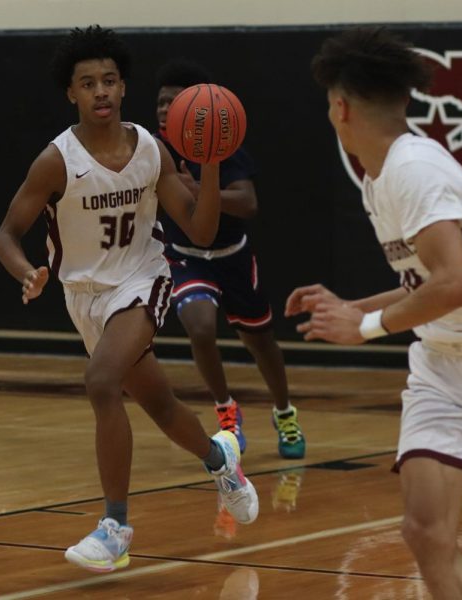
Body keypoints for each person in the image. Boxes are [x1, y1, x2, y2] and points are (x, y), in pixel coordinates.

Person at [0, 25, 259, 573]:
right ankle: (221, 462)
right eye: (88, 83)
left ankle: (115, 526)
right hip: (84, 296)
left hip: (143, 280)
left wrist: (208, 163)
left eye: (110, 80)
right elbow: (4, 235)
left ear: (122, 86)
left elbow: (200, 231)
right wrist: (25, 272)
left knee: (100, 381)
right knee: (158, 403)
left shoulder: (151, 150)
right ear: (71, 93)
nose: (101, 91)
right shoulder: (56, 161)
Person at [289, 27, 462, 599]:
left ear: (341, 106)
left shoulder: (415, 169)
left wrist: (367, 327)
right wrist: (354, 307)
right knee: (426, 533)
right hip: (444, 368)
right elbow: (426, 283)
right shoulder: (381, 178)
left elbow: (454, 286)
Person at [154, 59, 305, 459]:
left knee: (261, 342)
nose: (164, 109)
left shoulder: (221, 144)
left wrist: (203, 190)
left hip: (232, 256)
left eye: (173, 102)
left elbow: (249, 203)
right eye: (160, 102)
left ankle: (284, 412)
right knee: (200, 328)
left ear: (193, 108)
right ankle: (226, 411)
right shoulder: (152, 149)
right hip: (186, 257)